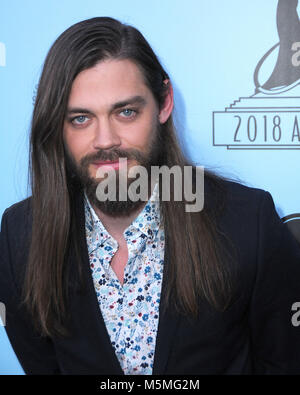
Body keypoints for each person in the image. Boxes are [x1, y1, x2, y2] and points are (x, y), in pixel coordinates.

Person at [1, 16, 300, 376]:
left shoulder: (247, 222)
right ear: (57, 127)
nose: (105, 140)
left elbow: (284, 362)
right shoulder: (21, 236)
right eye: (81, 119)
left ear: (164, 103)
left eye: (126, 112)